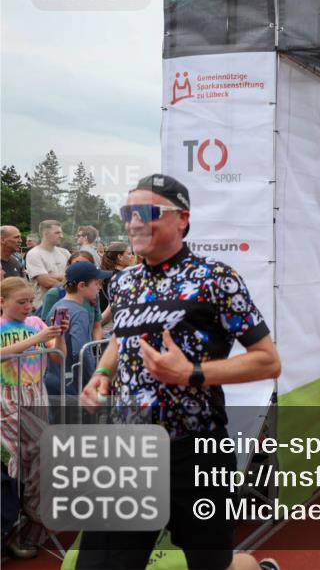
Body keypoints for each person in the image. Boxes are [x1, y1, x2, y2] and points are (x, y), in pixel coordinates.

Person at [78, 174, 281, 570]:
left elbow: (268, 360)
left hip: (196, 452)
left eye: (147, 212)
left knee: (213, 564)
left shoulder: (216, 279)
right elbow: (123, 338)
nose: (134, 222)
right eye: (128, 212)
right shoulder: (123, 283)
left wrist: (193, 373)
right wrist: (102, 372)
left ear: (182, 219)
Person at [0, 276, 66, 558]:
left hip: (37, 394)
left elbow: (58, 357)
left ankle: (26, 528)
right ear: (2, 302)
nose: (29, 306)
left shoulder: (38, 324)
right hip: (9, 397)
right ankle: (29, 518)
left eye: (31, 301)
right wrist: (35, 339)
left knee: (34, 460)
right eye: (21, 302)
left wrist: (58, 336)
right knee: (41, 451)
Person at [45, 261, 111, 396]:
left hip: (54, 378)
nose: (99, 287)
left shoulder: (58, 306)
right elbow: (81, 351)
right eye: (96, 283)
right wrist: (93, 379)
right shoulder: (80, 312)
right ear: (82, 285)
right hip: (73, 383)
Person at [40, 251, 104, 343]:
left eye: (85, 264)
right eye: (76, 264)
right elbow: (46, 328)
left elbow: (97, 326)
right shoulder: (55, 294)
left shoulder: (93, 295)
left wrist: (96, 348)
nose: (81, 267)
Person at [24, 219, 70, 311]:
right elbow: (45, 281)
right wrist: (69, 283)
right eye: (57, 233)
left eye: (61, 233)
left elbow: (75, 276)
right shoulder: (34, 254)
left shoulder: (65, 253)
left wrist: (53, 275)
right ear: (45, 234)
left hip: (65, 305)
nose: (61, 236)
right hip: (43, 308)